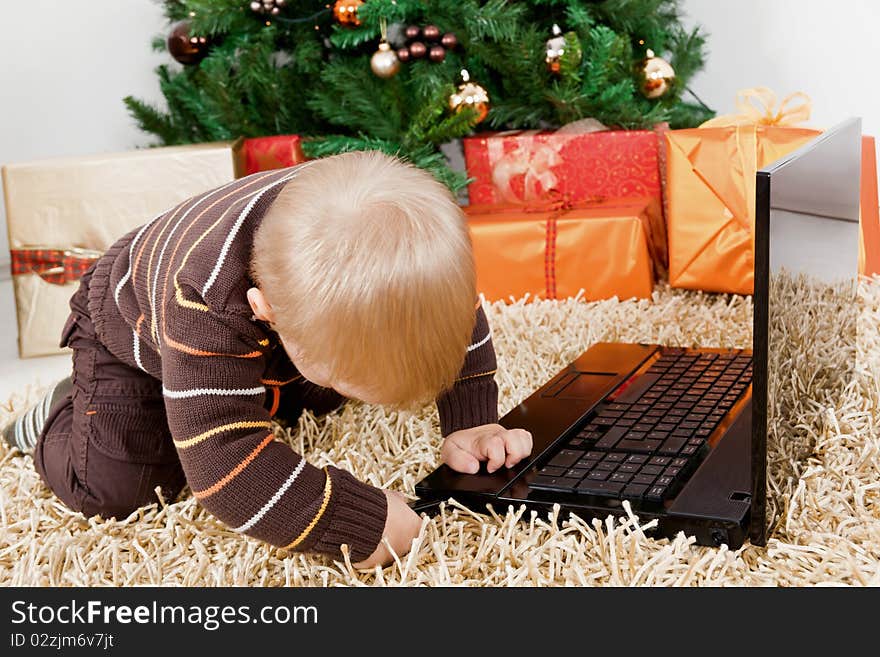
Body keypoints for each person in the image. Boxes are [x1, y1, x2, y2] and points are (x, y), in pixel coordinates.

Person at [2, 151, 532, 568]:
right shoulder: (203, 299)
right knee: (122, 489)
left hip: (264, 334)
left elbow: (451, 320)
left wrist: (474, 420)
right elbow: (224, 466)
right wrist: (355, 521)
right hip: (127, 329)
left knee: (315, 391)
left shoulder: (392, 234)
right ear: (266, 311)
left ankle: (264, 383)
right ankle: (62, 413)